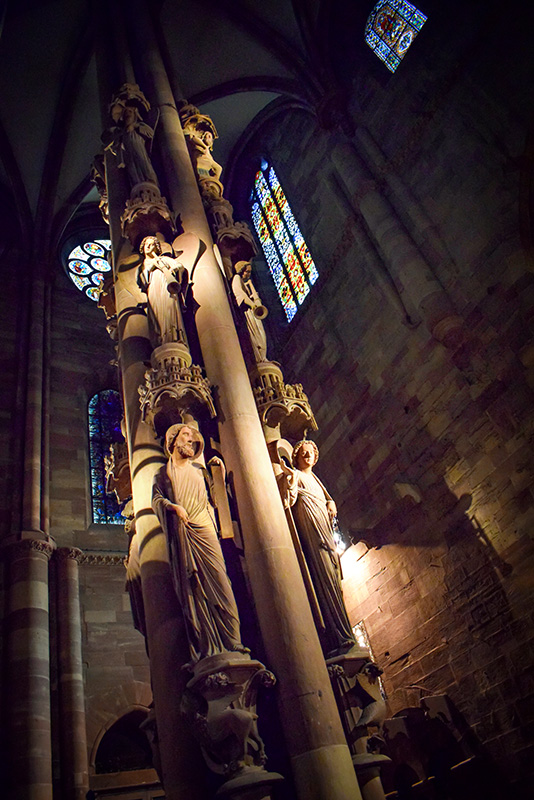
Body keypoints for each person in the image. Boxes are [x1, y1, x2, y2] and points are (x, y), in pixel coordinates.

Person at [152, 424, 247, 664]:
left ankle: (232, 639)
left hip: (204, 528)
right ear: (173, 441)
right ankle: (207, 645)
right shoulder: (163, 474)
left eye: (193, 437)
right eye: (186, 436)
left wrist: (219, 476)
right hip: (184, 532)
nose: (191, 440)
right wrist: (173, 507)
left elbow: (215, 500)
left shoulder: (199, 471)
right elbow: (156, 500)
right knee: (194, 588)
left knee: (220, 580)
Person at [279, 439, 356, 657]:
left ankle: (345, 630)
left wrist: (331, 503)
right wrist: (290, 479)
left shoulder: (314, 478)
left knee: (334, 577)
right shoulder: (298, 475)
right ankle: (340, 635)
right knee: (326, 579)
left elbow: (327, 498)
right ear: (296, 457)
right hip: (315, 535)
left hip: (328, 535)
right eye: (302, 453)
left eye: (310, 452)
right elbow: (289, 500)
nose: (307, 456)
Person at [137, 236, 187, 347]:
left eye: (152, 244)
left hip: (166, 287)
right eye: (146, 245)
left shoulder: (163, 259)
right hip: (153, 290)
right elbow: (142, 281)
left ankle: (173, 336)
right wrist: (150, 268)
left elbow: (179, 266)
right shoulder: (144, 266)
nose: (149, 247)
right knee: (157, 314)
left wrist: (172, 269)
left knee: (169, 309)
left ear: (157, 248)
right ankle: (161, 340)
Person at [231, 261, 268, 363]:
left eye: (250, 272)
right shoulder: (236, 278)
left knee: (261, 334)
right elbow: (239, 293)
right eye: (247, 272)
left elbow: (255, 299)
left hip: (252, 311)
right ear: (241, 270)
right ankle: (259, 358)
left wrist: (251, 285)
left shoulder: (245, 283)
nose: (249, 274)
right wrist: (252, 305)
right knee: (256, 335)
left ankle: (263, 357)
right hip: (248, 311)